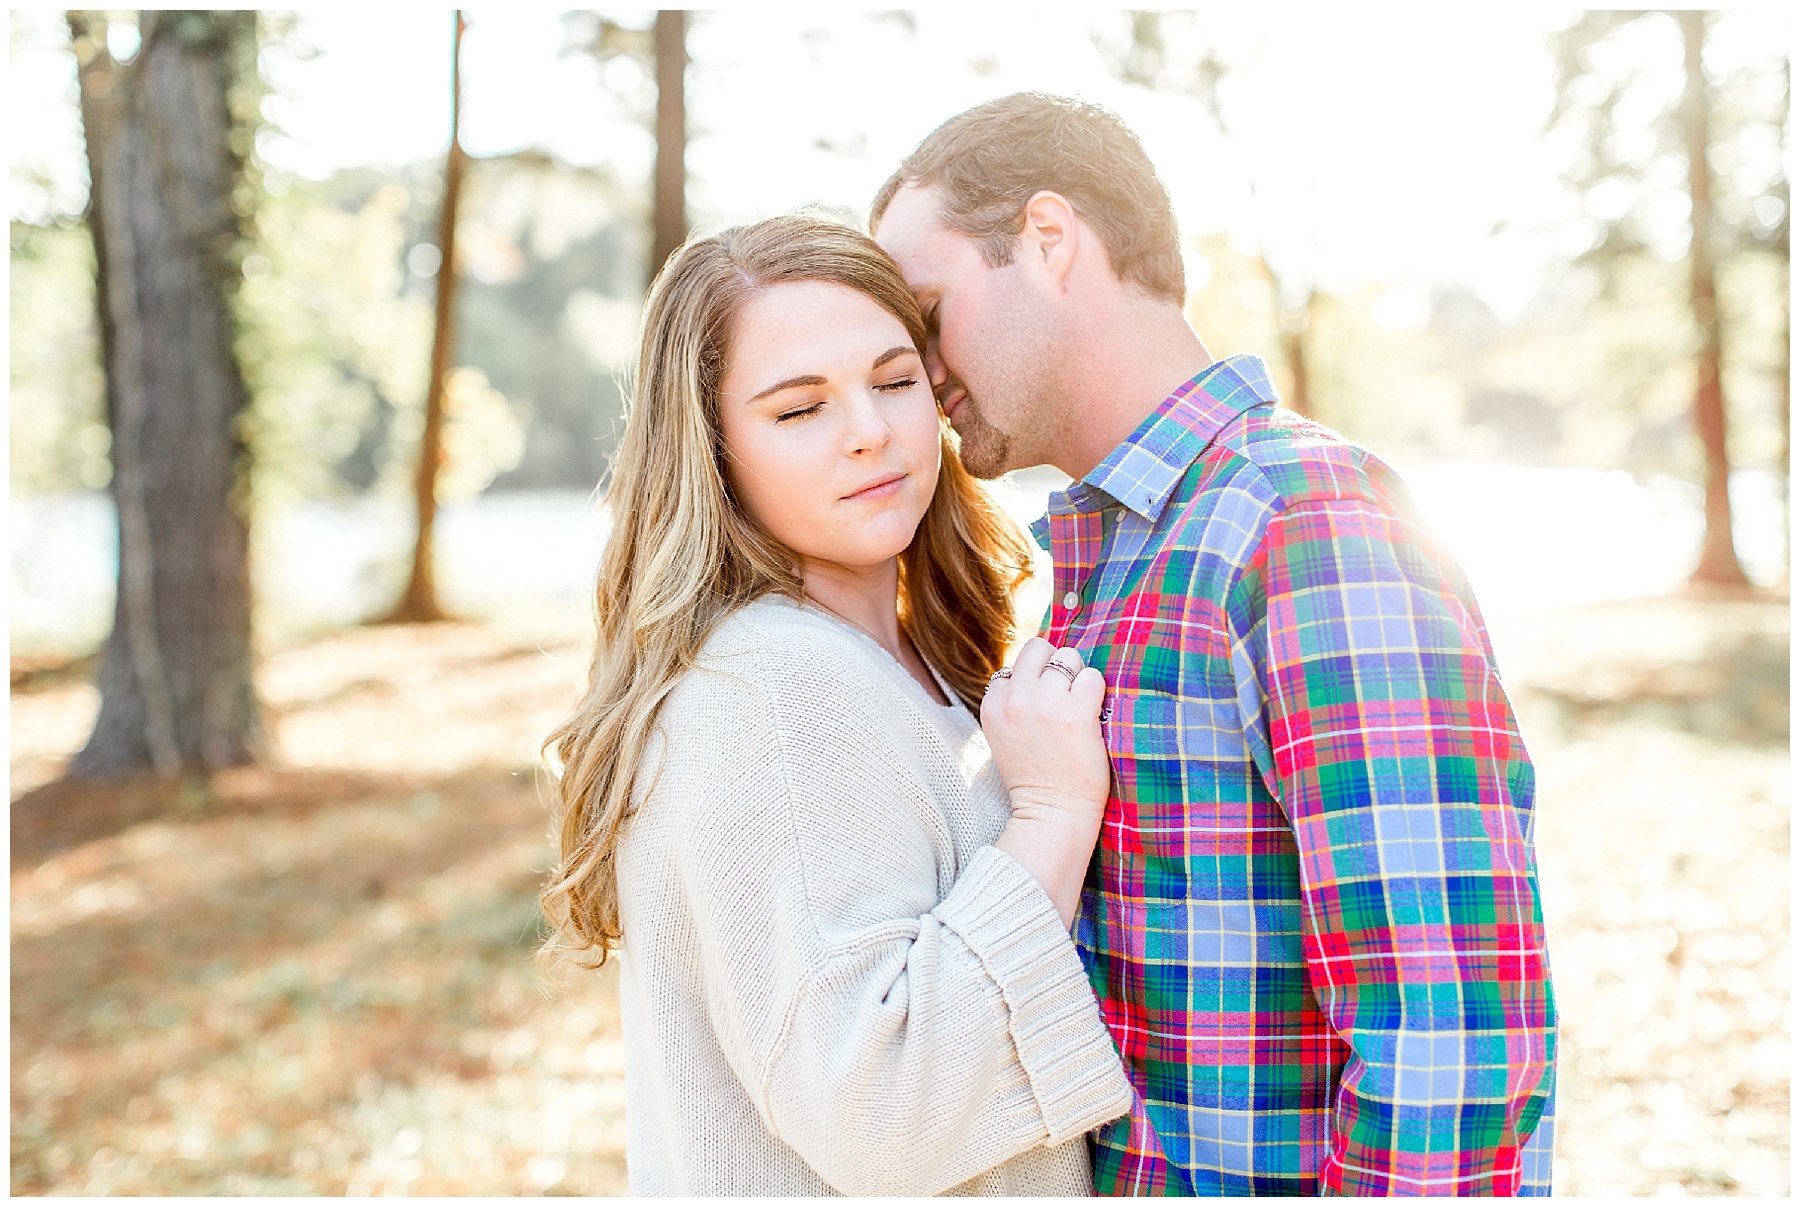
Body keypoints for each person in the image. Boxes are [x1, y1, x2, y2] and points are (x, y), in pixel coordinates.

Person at [872, 92, 1557, 1197]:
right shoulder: (1116, 564)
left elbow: (1450, 1041)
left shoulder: (1300, 519)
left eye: (929, 309)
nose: (917, 370)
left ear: (1048, 240)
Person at [539, 213, 1135, 1195]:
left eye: (896, 381)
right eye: (799, 409)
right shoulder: (775, 684)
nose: (871, 433)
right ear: (715, 448)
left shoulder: (902, 663)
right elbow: (882, 1117)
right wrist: (1054, 816)